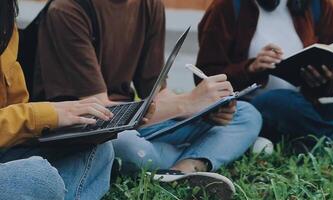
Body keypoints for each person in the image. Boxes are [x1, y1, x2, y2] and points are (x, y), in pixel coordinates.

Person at [33, 0, 262, 197]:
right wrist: (187, 102)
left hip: (136, 120)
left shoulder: (149, 4)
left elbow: (157, 92)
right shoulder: (67, 11)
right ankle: (196, 153)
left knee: (246, 114)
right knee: (127, 146)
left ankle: (185, 168)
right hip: (89, 131)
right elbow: (100, 116)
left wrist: (206, 109)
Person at [0, 1, 116, 199]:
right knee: (38, 177)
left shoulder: (6, 15)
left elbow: (14, 106)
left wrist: (58, 126)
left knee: (98, 150)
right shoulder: (66, 10)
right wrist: (42, 115)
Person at [196, 0, 333, 144]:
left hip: (305, 111)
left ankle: (324, 138)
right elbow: (205, 76)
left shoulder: (317, 5)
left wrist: (321, 79)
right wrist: (250, 68)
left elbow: (328, 82)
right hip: (254, 109)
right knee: (276, 100)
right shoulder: (228, 6)